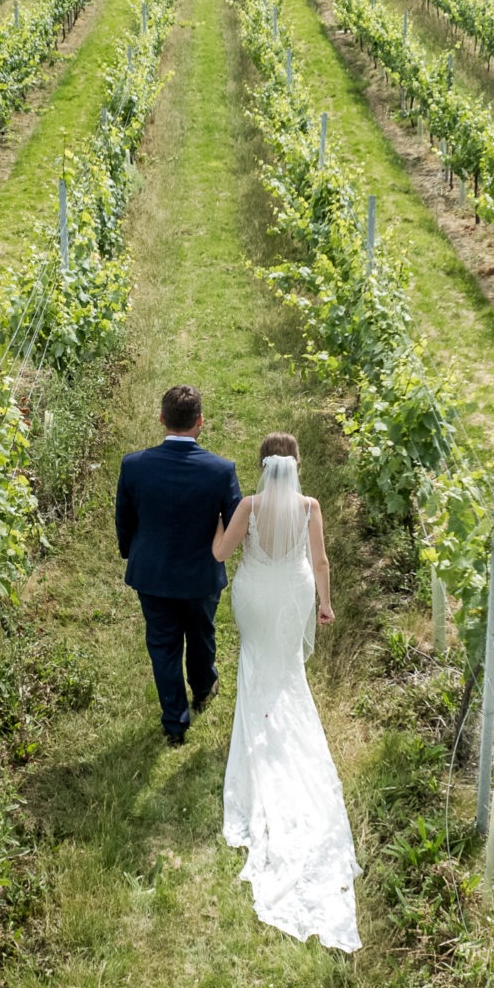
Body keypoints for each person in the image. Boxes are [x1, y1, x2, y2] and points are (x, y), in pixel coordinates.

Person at [211, 432, 359, 952]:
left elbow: (220, 552)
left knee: (256, 661)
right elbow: (321, 563)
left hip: (254, 593)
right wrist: (325, 604)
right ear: (296, 466)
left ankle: (258, 723)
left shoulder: (249, 507)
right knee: (287, 667)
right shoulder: (310, 507)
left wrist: (216, 523)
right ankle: (277, 723)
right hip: (294, 592)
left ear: (262, 466)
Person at [115, 385, 242, 746]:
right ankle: (203, 689)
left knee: (163, 644)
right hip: (201, 572)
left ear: (161, 419)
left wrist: (132, 553)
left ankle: (174, 722)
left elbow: (124, 518)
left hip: (152, 573)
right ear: (200, 421)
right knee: (201, 633)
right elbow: (235, 522)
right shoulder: (221, 470)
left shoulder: (134, 465)